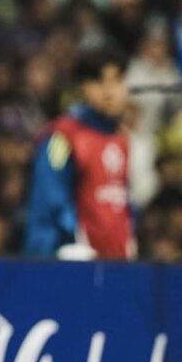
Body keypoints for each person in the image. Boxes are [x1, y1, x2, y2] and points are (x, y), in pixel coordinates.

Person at [23, 47, 135, 260]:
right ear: (83, 88)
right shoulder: (62, 138)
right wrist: (62, 247)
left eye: (117, 81)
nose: (109, 92)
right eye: (99, 81)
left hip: (116, 262)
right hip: (72, 260)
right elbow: (48, 200)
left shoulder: (121, 140)